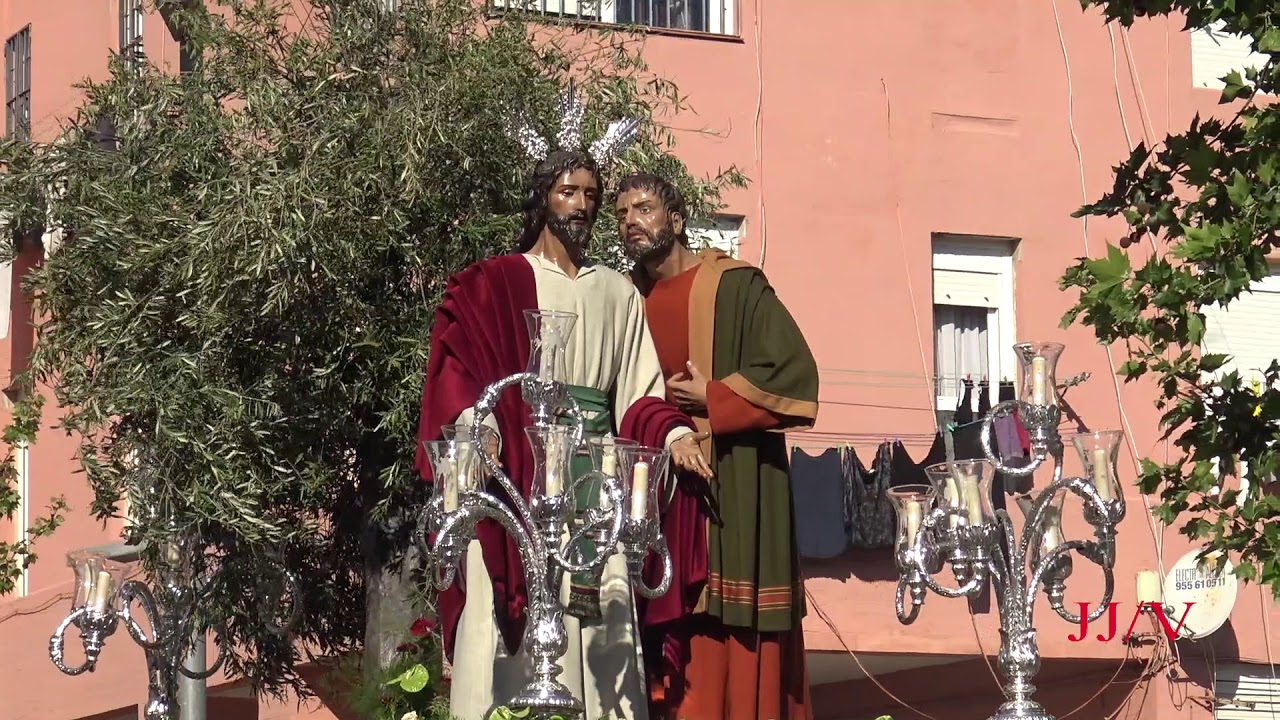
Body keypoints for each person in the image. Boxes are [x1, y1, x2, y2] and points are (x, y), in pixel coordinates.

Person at [414, 144, 713, 720]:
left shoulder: (619, 293)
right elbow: (457, 377)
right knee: (499, 622)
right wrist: (481, 427)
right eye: (569, 192)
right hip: (513, 478)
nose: (582, 206)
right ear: (543, 198)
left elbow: (640, 393)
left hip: (593, 486)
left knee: (605, 620)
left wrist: (674, 437)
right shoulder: (493, 283)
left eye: (592, 196)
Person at [616, 171, 820, 720]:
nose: (631, 221)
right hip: (649, 488)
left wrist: (713, 396)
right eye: (622, 214)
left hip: (734, 482)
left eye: (644, 208)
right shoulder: (623, 298)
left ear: (676, 219)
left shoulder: (738, 286)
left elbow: (795, 375)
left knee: (727, 638)